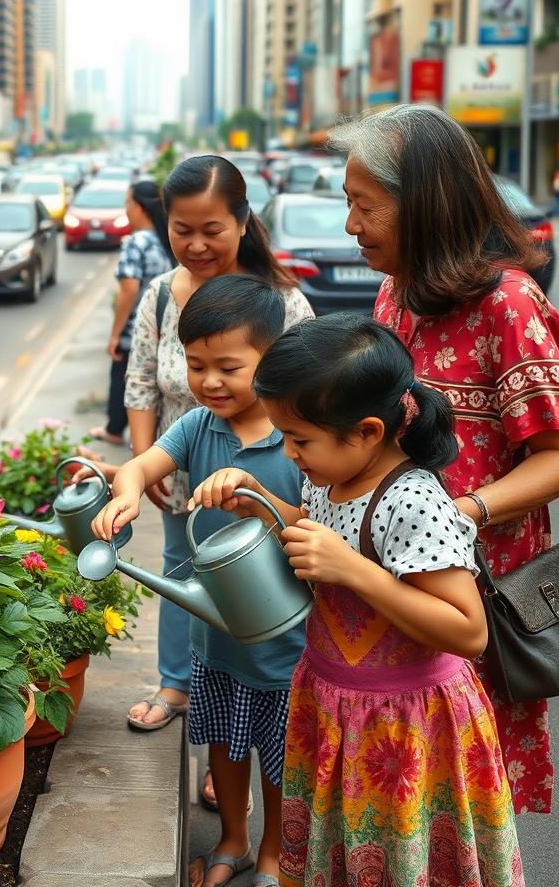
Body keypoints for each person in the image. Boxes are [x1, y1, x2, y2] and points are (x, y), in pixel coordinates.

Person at [205, 314, 524, 886]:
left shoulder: (415, 499)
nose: (290, 452)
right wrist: (265, 506)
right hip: (335, 705)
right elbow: (327, 533)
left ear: (370, 431)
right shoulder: (330, 477)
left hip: (406, 723)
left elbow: (468, 629)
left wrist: (353, 570)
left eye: (300, 440)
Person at [334, 102, 559, 814]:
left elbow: (558, 457)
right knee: (405, 785)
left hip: (480, 597)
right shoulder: (394, 294)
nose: (350, 227)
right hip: (395, 584)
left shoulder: (509, 306)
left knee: (468, 797)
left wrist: (462, 512)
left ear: (425, 206)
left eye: (363, 208)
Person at [93, 275, 305, 887]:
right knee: (223, 740)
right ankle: (233, 840)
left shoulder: (295, 437)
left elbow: (315, 521)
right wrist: (127, 494)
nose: (209, 381)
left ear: (272, 358)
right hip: (215, 629)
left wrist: (257, 497)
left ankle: (274, 848)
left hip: (284, 633)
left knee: (276, 748)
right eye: (195, 365)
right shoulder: (196, 429)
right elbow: (139, 465)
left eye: (229, 367)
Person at [123, 155, 312, 809]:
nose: (196, 245)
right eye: (182, 230)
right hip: (187, 458)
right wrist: (144, 458)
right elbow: (142, 377)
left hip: (267, 467)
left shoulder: (280, 299)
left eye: (212, 229)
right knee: (184, 583)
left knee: (260, 601)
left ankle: (252, 741)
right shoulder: (157, 292)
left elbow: (312, 392)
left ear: (242, 222)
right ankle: (181, 690)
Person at [90, 179, 173, 446]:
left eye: (127, 203)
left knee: (127, 378)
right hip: (168, 325)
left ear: (139, 207)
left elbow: (128, 290)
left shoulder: (136, 243)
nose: (125, 209)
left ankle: (116, 431)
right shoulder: (168, 237)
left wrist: (115, 334)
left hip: (138, 328)